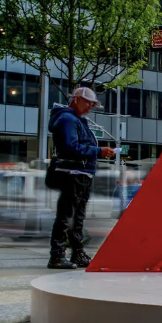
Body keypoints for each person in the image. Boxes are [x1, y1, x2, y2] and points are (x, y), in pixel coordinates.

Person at [48, 86, 114, 269]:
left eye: (93, 105)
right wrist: (98, 151)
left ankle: (75, 253)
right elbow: (71, 147)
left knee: (75, 216)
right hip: (73, 174)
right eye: (89, 103)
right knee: (68, 216)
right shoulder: (68, 119)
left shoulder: (73, 119)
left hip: (79, 173)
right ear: (76, 99)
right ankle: (58, 255)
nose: (90, 108)